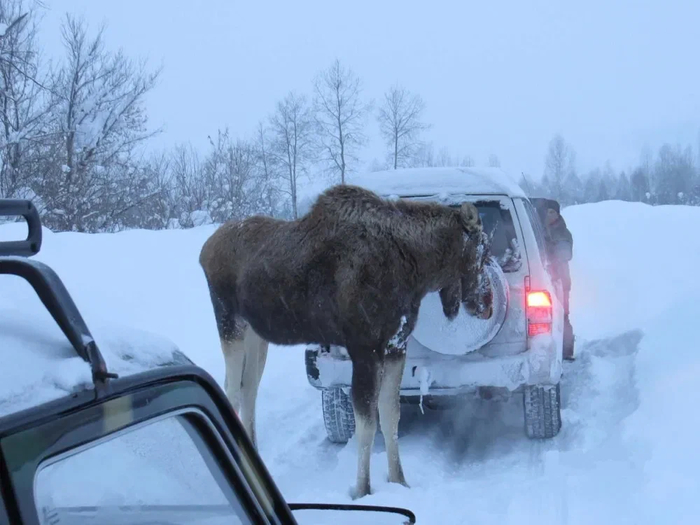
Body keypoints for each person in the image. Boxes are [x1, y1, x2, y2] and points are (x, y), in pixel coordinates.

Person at [533, 198, 575, 361]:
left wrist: (551, 251)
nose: (550, 215)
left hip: (561, 281)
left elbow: (565, 252)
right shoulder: (538, 230)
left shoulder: (563, 232)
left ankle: (566, 351)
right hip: (544, 279)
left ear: (558, 214)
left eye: (553, 212)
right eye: (548, 212)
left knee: (563, 315)